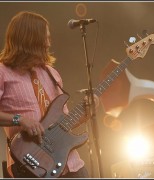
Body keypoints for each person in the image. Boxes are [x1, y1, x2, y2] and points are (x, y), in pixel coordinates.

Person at [0, 11, 91, 178]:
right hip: (31, 166)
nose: (49, 44)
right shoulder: (3, 72)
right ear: (30, 39)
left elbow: (63, 123)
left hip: (71, 166)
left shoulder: (51, 73)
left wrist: (86, 113)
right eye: (46, 38)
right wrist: (19, 119)